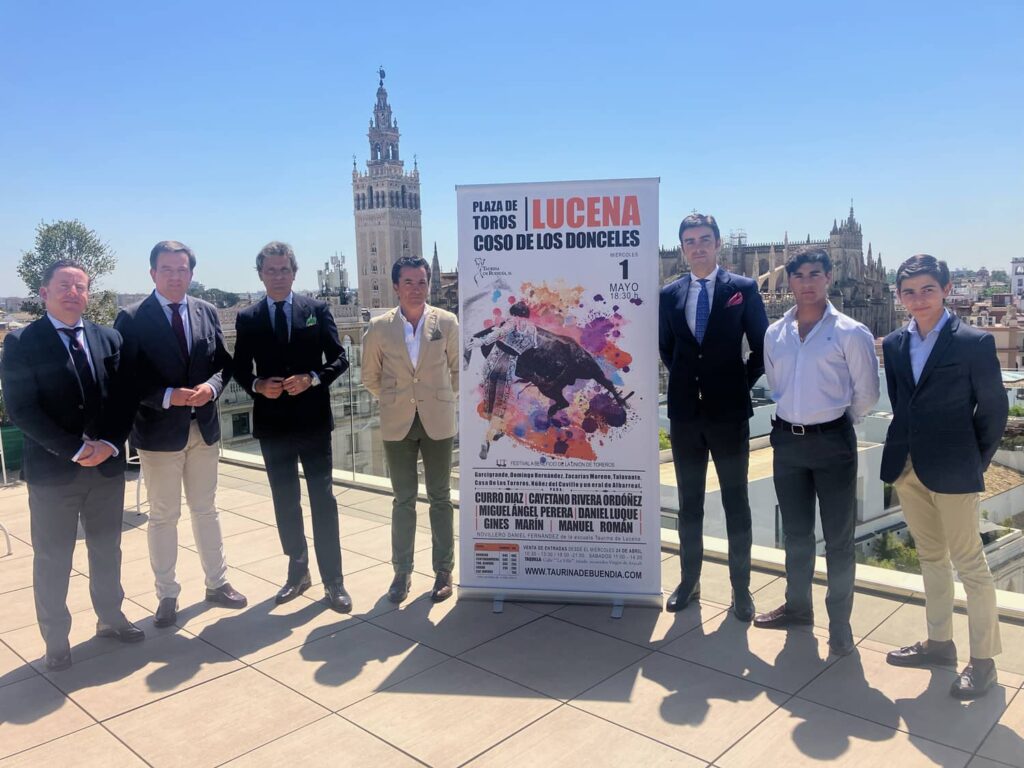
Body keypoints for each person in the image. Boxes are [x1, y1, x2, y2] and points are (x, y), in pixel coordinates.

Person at [1, 260, 144, 670]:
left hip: (105, 469)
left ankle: (111, 618)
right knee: (53, 558)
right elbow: (22, 409)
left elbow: (124, 399)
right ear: (44, 292)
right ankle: (56, 639)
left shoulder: (109, 338)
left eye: (80, 287)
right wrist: (76, 450)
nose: (73, 293)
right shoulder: (22, 342)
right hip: (53, 473)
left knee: (107, 550)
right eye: (64, 285)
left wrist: (110, 444)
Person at [881, 254, 1007, 698]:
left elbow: (993, 410)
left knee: (970, 564)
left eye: (927, 289)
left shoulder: (973, 342)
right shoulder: (895, 344)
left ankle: (984, 662)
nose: (918, 299)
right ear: (899, 296)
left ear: (946, 289)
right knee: (931, 558)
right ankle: (939, 644)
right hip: (908, 467)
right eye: (909, 292)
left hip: (955, 468)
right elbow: (902, 404)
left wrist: (975, 461)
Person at [754, 248, 879, 657]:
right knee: (796, 533)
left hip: (832, 443)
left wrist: (833, 422)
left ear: (828, 277)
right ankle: (797, 608)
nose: (806, 282)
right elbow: (776, 384)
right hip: (787, 442)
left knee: (839, 539)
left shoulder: (850, 332)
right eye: (799, 275)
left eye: (815, 274)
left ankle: (840, 624)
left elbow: (867, 394)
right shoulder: (775, 333)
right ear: (788, 280)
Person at [115, 241, 246, 628]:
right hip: (158, 434)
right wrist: (167, 396)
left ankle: (217, 583)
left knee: (206, 509)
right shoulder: (132, 318)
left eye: (182, 269)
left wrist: (212, 387)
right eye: (167, 269)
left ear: (191, 273)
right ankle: (167, 594)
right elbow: (125, 377)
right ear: (152, 273)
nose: (176, 276)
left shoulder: (206, 311)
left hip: (202, 429)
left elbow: (223, 364)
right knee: (163, 516)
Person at [658, 213, 768, 620]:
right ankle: (689, 581)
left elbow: (761, 347)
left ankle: (741, 589)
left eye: (705, 239)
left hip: (729, 412)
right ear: (682, 248)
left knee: (736, 502)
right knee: (689, 504)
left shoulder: (743, 289)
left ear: (718, 243)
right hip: (686, 414)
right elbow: (667, 349)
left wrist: (736, 382)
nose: (698, 247)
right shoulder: (669, 295)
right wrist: (692, 380)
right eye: (690, 241)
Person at [233, 242, 352, 612]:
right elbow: (239, 368)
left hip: (313, 421)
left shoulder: (316, 310)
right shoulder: (248, 317)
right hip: (273, 425)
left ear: (294, 273)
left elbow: (340, 358)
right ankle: (298, 571)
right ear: (261, 275)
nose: (278, 276)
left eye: (284, 269)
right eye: (271, 270)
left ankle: (334, 580)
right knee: (285, 501)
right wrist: (257, 385)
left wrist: (312, 378)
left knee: (323, 501)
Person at [362, 255, 460, 604]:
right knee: (403, 499)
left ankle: (443, 570)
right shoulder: (379, 327)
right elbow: (370, 376)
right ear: (396, 286)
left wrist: (440, 398)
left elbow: (457, 370)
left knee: (440, 498)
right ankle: (401, 571)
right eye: (409, 282)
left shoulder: (446, 321)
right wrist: (395, 399)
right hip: (397, 422)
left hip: (438, 420)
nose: (416, 289)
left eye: (422, 282)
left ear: (429, 285)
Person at [465, 301, 538, 459]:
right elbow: (533, 345)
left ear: (514, 312)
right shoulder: (532, 329)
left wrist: (481, 341)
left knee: (488, 401)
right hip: (509, 366)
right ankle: (491, 434)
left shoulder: (513, 321)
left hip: (494, 363)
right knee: (500, 403)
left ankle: (488, 435)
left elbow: (501, 333)